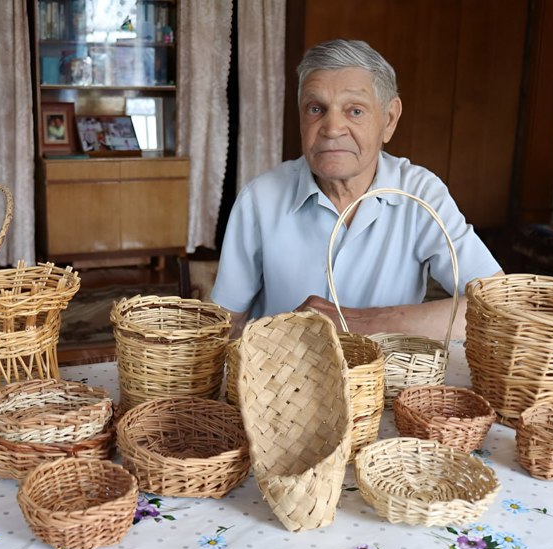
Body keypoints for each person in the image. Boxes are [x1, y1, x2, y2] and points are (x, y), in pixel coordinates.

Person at [210, 39, 503, 340]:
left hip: (388, 383)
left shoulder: (421, 194)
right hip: (284, 381)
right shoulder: (260, 198)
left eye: (355, 111)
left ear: (389, 120)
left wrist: (354, 323)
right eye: (315, 109)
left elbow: (497, 306)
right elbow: (224, 324)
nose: (332, 127)